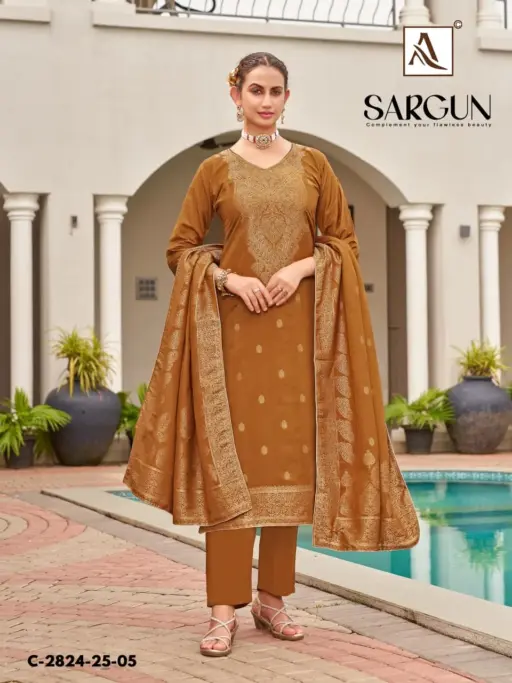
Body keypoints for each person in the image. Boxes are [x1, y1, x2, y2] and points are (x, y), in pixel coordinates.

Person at [123, 51, 420, 658]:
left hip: (300, 336)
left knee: (287, 470)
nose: (265, 101)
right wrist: (229, 279)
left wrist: (300, 268)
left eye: (275, 91)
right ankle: (222, 610)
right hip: (233, 337)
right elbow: (180, 250)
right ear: (235, 94)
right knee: (232, 471)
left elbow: (344, 242)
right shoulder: (215, 170)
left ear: (287, 98)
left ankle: (273, 600)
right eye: (254, 90)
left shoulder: (314, 165)